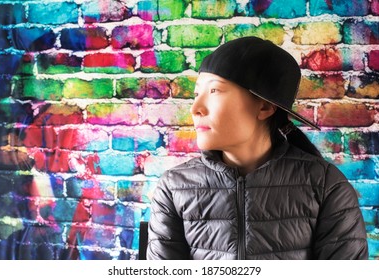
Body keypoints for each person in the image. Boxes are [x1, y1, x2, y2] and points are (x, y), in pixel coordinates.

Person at [146, 36, 368, 260]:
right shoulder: (174, 187)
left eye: (214, 91)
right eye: (196, 94)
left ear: (264, 107)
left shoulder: (326, 186)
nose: (196, 108)